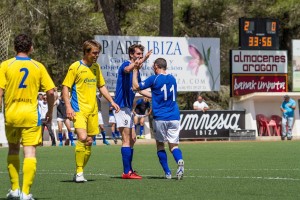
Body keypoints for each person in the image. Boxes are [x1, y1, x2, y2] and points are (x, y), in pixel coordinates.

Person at [0, 33, 55, 199]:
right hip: (30, 116)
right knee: (30, 152)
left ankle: (15, 189)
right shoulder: (38, 66)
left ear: (14, 48)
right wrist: (50, 111)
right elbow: (51, 91)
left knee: (13, 149)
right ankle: (25, 193)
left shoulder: (5, 65)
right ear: (31, 48)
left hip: (12, 115)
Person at [62, 40, 119, 183]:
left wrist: (112, 101)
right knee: (82, 137)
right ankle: (80, 172)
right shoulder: (75, 67)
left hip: (93, 109)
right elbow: (65, 87)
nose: (96, 55)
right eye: (94, 53)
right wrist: (68, 107)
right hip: (78, 109)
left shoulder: (96, 67)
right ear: (86, 52)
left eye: (98, 53)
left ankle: (79, 171)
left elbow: (102, 86)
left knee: (89, 141)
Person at [132, 57, 184, 180]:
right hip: (174, 116)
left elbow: (135, 86)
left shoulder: (154, 79)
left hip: (161, 117)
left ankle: (167, 172)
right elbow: (155, 95)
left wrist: (135, 70)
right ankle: (180, 160)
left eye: (153, 67)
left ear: (156, 66)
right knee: (174, 146)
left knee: (160, 145)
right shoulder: (172, 79)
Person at [114, 44, 152, 179]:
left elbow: (138, 88)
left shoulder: (137, 71)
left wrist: (155, 95)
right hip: (121, 107)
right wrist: (141, 61)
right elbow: (128, 69)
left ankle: (129, 169)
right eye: (137, 54)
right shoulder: (125, 65)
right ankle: (126, 172)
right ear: (131, 55)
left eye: (141, 54)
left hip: (128, 109)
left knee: (133, 139)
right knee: (126, 140)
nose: (140, 57)